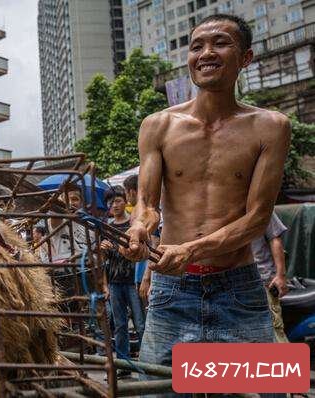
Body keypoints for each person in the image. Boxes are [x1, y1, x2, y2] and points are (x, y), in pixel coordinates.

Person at [120, 13, 290, 379]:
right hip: (171, 291)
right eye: (197, 46)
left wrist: (191, 250)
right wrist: (139, 229)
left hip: (240, 289)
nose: (206, 53)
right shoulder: (158, 125)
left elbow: (257, 219)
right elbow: (147, 205)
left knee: (268, 387)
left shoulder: (271, 127)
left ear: (246, 58)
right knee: (154, 389)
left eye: (220, 43)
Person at [101, 190, 145, 373]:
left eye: (117, 200)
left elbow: (142, 253)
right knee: (119, 325)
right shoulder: (106, 227)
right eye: (111, 202)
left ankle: (146, 364)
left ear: (125, 201)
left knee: (140, 323)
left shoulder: (134, 225)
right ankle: (123, 365)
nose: (114, 205)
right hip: (115, 281)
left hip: (132, 281)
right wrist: (103, 248)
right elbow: (103, 260)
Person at [252, 212, 289, 343]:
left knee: (274, 331)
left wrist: (280, 275)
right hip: (234, 282)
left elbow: (275, 239)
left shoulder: (260, 207)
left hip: (263, 280)